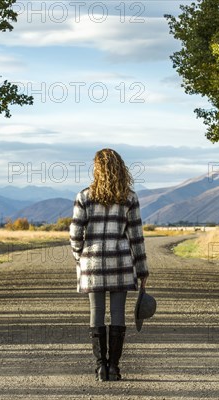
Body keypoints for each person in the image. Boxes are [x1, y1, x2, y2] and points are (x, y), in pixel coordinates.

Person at [69, 148, 149, 382]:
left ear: (97, 169)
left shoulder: (84, 196)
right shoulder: (130, 198)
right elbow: (136, 237)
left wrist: (80, 257)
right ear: (120, 168)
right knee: (117, 314)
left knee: (96, 313)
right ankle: (114, 367)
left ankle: (100, 367)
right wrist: (142, 270)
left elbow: (75, 233)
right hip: (121, 262)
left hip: (92, 263)